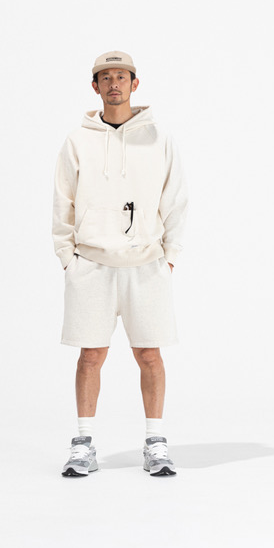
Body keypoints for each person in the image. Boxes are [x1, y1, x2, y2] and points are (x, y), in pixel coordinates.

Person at [52, 50, 188, 477]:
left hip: (146, 264)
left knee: (149, 354)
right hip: (91, 263)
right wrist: (67, 258)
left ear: (134, 84)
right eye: (106, 77)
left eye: (121, 77)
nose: (114, 84)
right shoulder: (77, 140)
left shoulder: (158, 138)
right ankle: (83, 444)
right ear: (95, 86)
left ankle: (155, 442)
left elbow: (175, 198)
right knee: (91, 355)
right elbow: (62, 201)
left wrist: (169, 256)